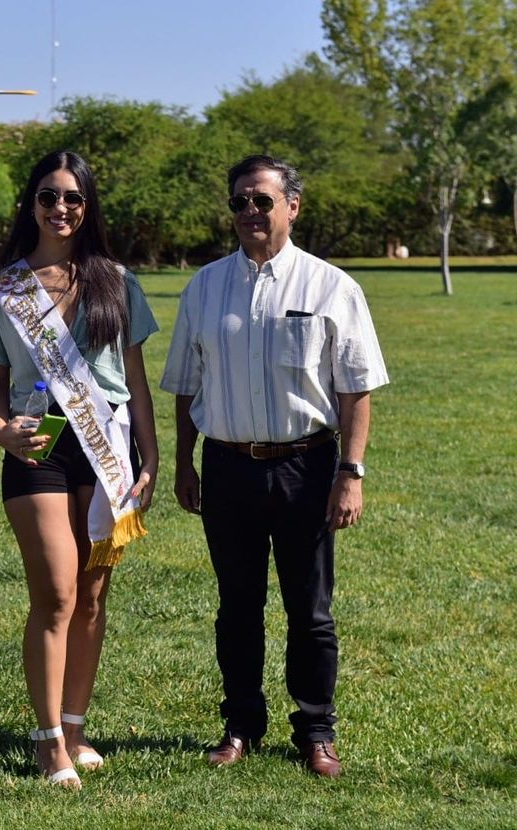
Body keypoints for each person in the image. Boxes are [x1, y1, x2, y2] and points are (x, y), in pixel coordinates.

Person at [160, 154, 389, 778]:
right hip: (228, 467)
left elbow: (356, 389)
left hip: (307, 468)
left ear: (293, 206)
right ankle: (241, 724)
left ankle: (315, 729)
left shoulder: (332, 286)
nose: (250, 213)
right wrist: (185, 463)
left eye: (262, 201)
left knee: (310, 610)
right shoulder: (205, 287)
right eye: (240, 202)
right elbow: (185, 384)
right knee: (237, 606)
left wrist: (351, 472)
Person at [0, 150, 158, 789]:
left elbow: (134, 379)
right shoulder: (5, 288)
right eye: (49, 196)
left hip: (106, 448)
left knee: (94, 598)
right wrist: (0, 431)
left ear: (88, 206)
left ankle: (76, 729)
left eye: (74, 198)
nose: (61, 208)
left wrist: (151, 460)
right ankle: (49, 742)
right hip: (39, 443)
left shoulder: (117, 282)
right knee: (56, 593)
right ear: (32, 204)